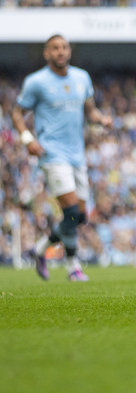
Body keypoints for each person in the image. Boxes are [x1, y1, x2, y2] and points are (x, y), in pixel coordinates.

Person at [11, 34, 112, 281]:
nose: (60, 52)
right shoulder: (36, 82)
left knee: (80, 215)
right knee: (70, 212)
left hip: (77, 155)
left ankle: (41, 248)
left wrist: (100, 119)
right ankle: (72, 266)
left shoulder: (81, 78)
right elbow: (16, 113)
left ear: (69, 51)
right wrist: (28, 140)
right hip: (52, 154)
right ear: (46, 53)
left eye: (64, 47)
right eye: (55, 48)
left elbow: (90, 110)